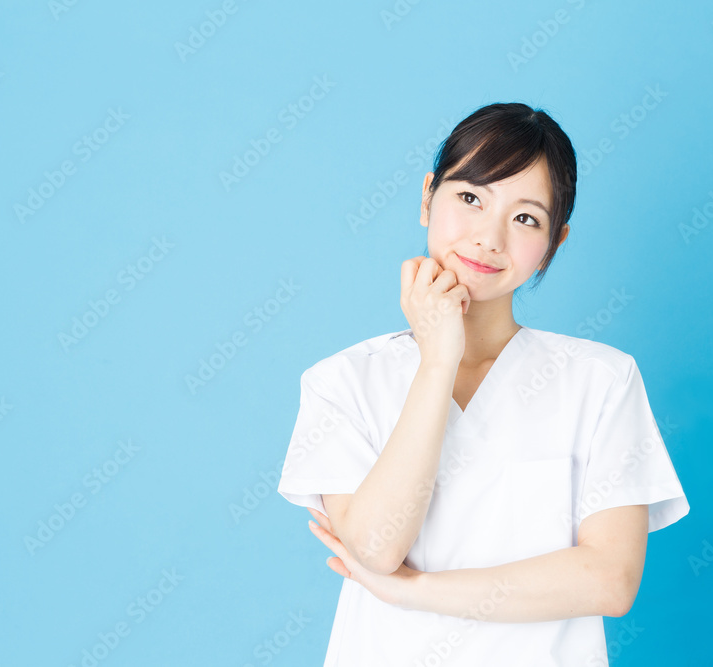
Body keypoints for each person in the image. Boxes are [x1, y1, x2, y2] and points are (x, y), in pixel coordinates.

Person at [276, 102, 689, 666]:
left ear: (556, 240)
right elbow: (376, 547)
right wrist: (437, 362)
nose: (489, 237)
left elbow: (609, 580)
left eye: (526, 218)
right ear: (427, 197)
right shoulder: (342, 381)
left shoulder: (602, 380)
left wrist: (415, 590)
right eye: (470, 198)